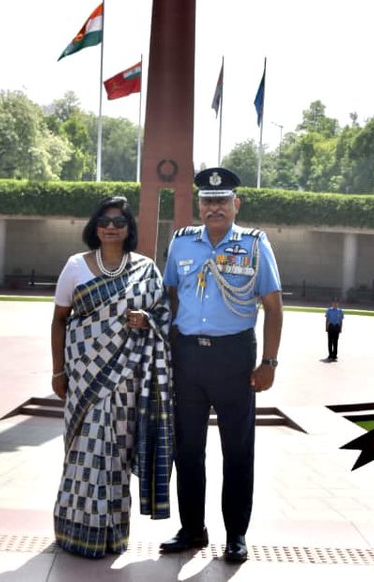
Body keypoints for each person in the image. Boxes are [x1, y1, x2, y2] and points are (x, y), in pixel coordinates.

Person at [159, 167, 283, 565]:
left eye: (222, 200)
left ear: (236, 204)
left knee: (237, 449)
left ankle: (236, 534)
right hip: (189, 356)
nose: (215, 207)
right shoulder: (181, 243)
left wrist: (269, 362)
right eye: (208, 201)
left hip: (234, 357)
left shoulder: (255, 244)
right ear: (200, 204)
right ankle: (193, 528)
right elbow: (171, 297)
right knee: (188, 449)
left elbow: (274, 308)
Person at [50, 196, 173, 559]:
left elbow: (164, 315)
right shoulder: (76, 266)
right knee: (83, 451)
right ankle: (75, 530)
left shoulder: (146, 268)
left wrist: (146, 320)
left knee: (117, 453)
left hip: (126, 379)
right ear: (95, 226)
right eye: (104, 220)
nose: (111, 226)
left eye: (119, 221)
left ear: (129, 228)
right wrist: (58, 371)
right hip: (83, 375)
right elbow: (59, 320)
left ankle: (112, 534)